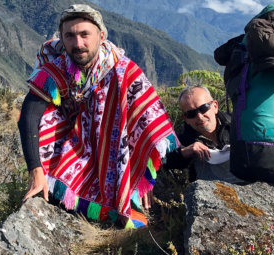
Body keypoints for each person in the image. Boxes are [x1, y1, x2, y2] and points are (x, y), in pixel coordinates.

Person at [17, 4, 178, 228]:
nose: (78, 44)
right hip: (73, 143)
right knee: (44, 118)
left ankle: (123, 193)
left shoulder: (124, 71)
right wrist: (36, 170)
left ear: (101, 36)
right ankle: (60, 185)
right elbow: (29, 115)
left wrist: (143, 179)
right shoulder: (56, 69)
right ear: (62, 39)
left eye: (85, 34)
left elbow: (148, 120)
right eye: (70, 36)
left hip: (112, 145)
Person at [164, 85, 245, 184]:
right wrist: (185, 152)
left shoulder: (240, 123)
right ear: (185, 119)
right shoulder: (181, 140)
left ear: (215, 106)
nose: (199, 116)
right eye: (191, 114)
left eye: (203, 108)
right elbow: (159, 163)